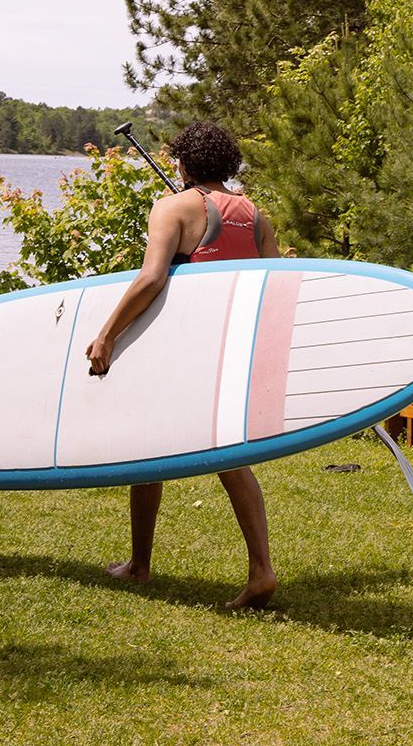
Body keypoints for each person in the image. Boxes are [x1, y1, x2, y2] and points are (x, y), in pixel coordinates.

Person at [83, 121, 281, 609]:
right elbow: (274, 282)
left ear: (183, 164)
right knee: (228, 458)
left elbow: (152, 279)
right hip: (234, 346)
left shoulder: (173, 206)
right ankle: (257, 570)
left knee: (150, 448)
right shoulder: (256, 215)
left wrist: (107, 335)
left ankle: (143, 566)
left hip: (183, 345)